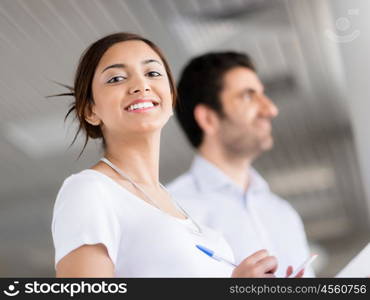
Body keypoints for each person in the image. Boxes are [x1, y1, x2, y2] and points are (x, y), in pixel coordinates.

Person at [51, 33, 285, 278]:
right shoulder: (90, 190)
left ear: (171, 97)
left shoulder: (175, 206)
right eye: (116, 78)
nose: (141, 85)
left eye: (152, 73)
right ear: (90, 110)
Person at [167, 52, 314, 277]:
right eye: (248, 96)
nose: (270, 109)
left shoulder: (283, 213)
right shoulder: (171, 212)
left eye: (262, 95)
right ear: (208, 118)